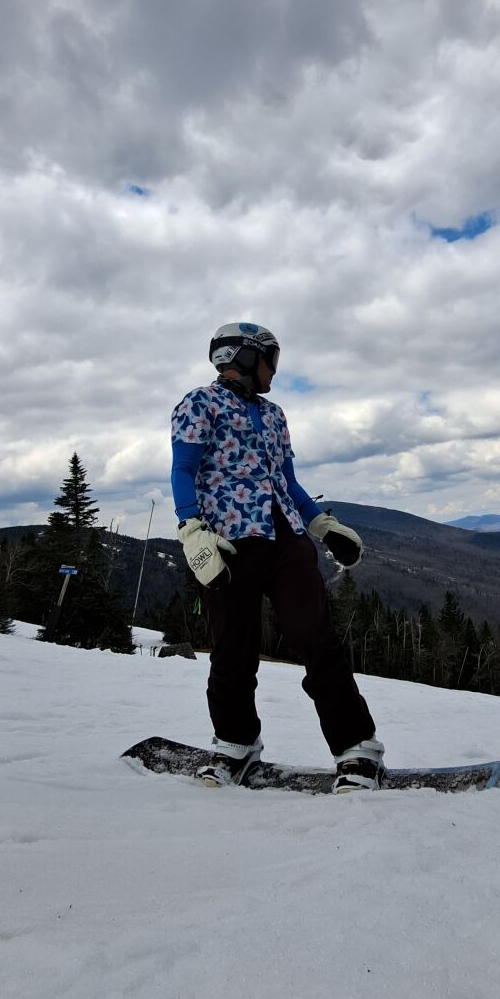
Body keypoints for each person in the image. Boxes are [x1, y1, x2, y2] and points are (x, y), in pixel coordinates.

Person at [170, 321, 385, 792]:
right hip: (226, 543)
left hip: (284, 536)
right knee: (232, 646)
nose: (275, 370)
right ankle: (235, 741)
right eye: (272, 358)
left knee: (314, 635)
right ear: (245, 358)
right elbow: (183, 470)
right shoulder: (198, 405)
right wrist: (191, 528)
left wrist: (321, 525)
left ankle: (357, 748)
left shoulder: (274, 415)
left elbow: (286, 481)